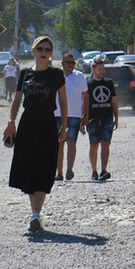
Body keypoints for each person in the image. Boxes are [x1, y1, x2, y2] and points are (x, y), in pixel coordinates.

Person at [4, 36, 68, 233]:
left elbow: (64, 102)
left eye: (48, 50)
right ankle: (34, 212)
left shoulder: (56, 74)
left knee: (43, 167)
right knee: (28, 166)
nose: (44, 52)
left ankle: (36, 214)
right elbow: (16, 101)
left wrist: (64, 127)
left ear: (51, 53)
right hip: (27, 123)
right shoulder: (24, 74)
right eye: (40, 48)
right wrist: (11, 122)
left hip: (48, 123)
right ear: (33, 51)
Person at [55, 53, 88, 181]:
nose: (70, 65)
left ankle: (69, 169)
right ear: (62, 63)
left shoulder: (80, 76)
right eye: (68, 62)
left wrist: (85, 114)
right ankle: (59, 172)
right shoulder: (56, 76)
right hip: (57, 114)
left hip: (74, 114)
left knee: (71, 142)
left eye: (72, 63)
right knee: (59, 144)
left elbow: (85, 96)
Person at [86, 58, 119, 181]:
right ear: (93, 70)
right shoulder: (88, 84)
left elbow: (114, 101)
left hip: (107, 118)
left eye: (103, 69)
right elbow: (84, 102)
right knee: (93, 145)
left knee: (106, 143)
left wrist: (116, 118)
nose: (102, 71)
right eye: (100, 69)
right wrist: (84, 117)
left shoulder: (109, 83)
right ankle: (94, 170)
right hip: (92, 119)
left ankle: (103, 170)